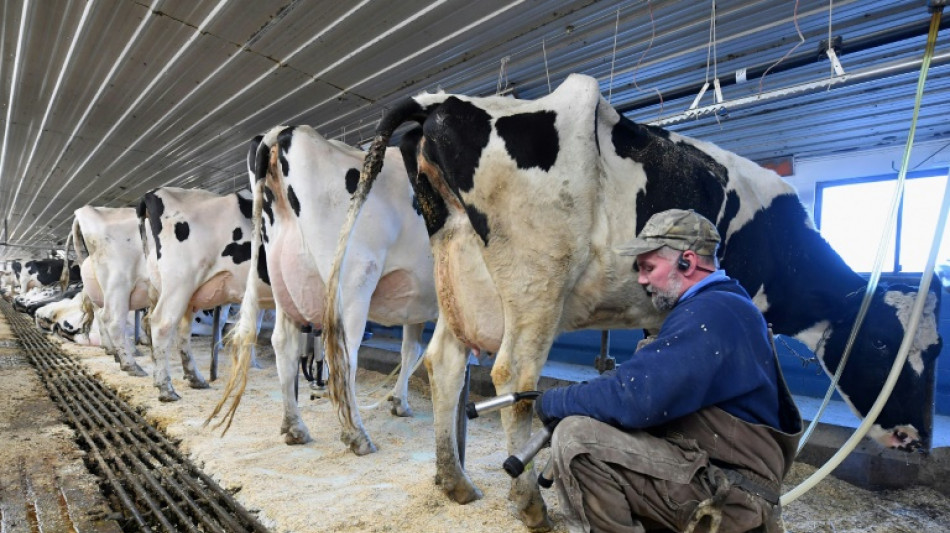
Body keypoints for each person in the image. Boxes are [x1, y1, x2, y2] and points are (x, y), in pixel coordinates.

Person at [534, 209, 802, 533]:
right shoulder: (722, 306)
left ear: (687, 261)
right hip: (713, 474)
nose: (642, 280)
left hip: (730, 493)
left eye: (649, 267)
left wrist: (552, 401)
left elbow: (634, 397)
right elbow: (640, 388)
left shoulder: (712, 312)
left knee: (577, 439)